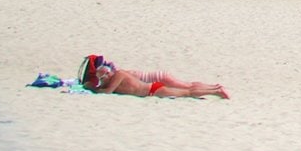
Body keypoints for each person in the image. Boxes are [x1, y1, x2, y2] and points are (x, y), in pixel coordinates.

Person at [79, 55, 228, 99]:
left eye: (102, 77)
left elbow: (107, 92)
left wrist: (93, 88)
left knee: (187, 91)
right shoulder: (116, 76)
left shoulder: (119, 75)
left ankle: (215, 91)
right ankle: (215, 87)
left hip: (154, 89)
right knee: (187, 87)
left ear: (107, 73)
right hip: (153, 87)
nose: (102, 80)